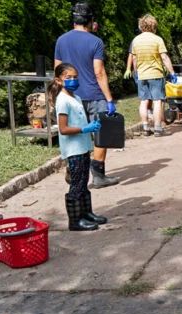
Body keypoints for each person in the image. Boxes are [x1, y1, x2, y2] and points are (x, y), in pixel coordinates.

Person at [54, 2, 119, 188]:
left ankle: (73, 167)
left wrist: (59, 94)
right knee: (101, 134)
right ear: (91, 21)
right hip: (94, 95)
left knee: (76, 133)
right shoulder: (95, 42)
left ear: (74, 21)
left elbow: (57, 70)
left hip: (71, 96)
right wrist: (109, 99)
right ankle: (98, 176)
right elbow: (99, 72)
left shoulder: (61, 40)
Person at [47, 63, 108, 232]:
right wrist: (84, 129)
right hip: (73, 149)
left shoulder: (76, 98)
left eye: (75, 77)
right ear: (59, 80)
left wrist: (91, 126)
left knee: (83, 181)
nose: (73, 80)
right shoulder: (62, 101)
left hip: (83, 147)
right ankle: (75, 220)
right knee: (76, 184)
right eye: (69, 78)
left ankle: (86, 213)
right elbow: (63, 129)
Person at [131, 14, 177, 137]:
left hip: (142, 75)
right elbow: (164, 57)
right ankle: (158, 129)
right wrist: (172, 72)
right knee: (157, 101)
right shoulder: (157, 39)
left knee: (144, 101)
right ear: (153, 26)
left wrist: (136, 72)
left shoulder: (136, 40)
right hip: (155, 74)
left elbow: (134, 58)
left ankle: (146, 128)